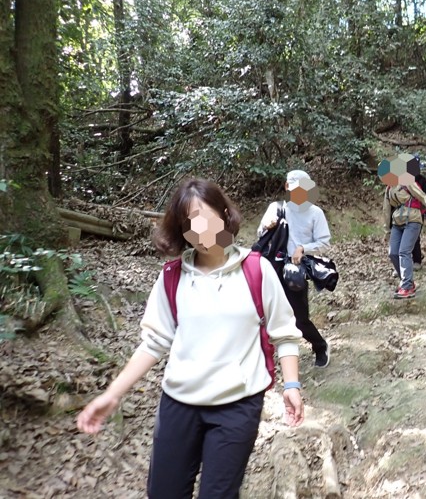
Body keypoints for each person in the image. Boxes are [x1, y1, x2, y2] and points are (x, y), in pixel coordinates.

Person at [77, 178, 304, 498]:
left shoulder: (257, 270)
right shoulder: (172, 278)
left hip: (237, 408)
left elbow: (284, 334)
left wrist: (291, 385)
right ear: (182, 231)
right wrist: (113, 394)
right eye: (190, 223)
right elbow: (154, 342)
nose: (201, 230)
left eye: (207, 218)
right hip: (178, 407)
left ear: (225, 216)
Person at [257, 170, 332, 368]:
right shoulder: (276, 207)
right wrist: (267, 225)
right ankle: (269, 356)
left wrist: (303, 248)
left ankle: (320, 346)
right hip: (272, 266)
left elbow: (324, 243)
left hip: (296, 269)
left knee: (299, 317)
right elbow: (260, 234)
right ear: (287, 187)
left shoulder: (315, 213)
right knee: (265, 314)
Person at [384, 166, 426, 299]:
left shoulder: (407, 182)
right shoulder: (389, 188)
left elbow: (423, 196)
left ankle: (407, 286)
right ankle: (407, 282)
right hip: (397, 222)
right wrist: (386, 229)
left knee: (404, 251)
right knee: (393, 252)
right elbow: (386, 209)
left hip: (413, 219)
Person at [411, 170, 426, 271]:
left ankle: (417, 261)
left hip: (418, 213)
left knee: (415, 238)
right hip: (404, 214)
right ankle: (406, 262)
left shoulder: (421, 180)